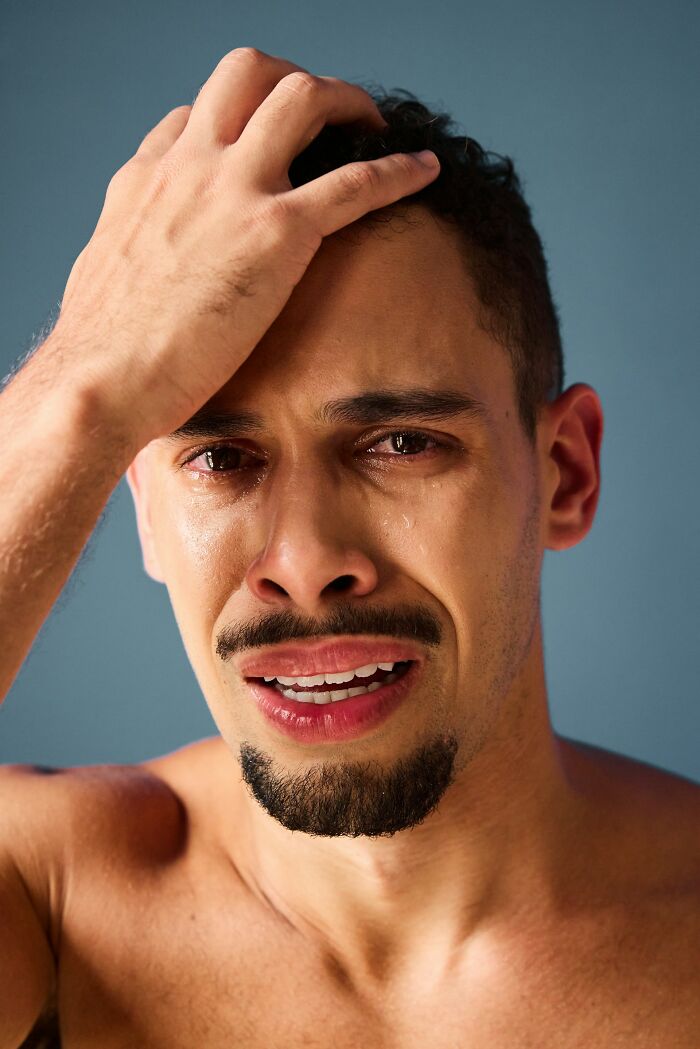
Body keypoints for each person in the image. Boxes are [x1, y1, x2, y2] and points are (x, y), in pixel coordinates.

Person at [1, 46, 698, 1049]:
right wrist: (87, 382)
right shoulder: (47, 896)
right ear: (143, 509)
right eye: (220, 457)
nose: (304, 557)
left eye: (401, 442)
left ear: (564, 475)